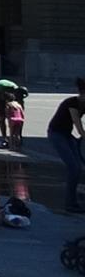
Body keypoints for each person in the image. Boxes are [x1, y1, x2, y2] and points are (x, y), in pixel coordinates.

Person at [43, 76, 85, 214]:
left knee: (78, 168)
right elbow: (78, 126)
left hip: (67, 135)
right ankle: (70, 204)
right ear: (81, 93)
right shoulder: (71, 103)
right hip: (56, 134)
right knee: (74, 168)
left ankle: (73, 202)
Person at [0, 77, 28, 148]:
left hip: (6, 92)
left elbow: (21, 110)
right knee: (2, 117)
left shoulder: (18, 92)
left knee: (15, 116)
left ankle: (17, 137)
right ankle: (5, 139)